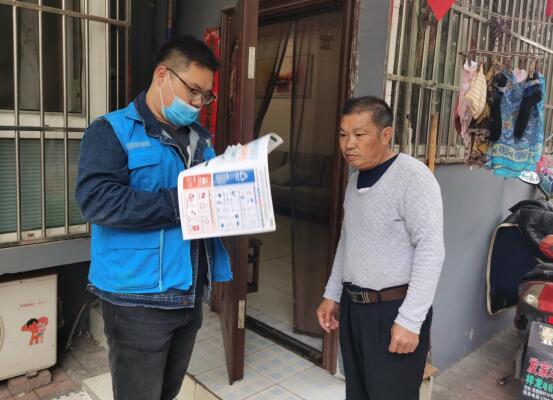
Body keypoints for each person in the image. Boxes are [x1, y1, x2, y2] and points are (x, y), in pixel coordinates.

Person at [76, 35, 231, 400]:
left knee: (167, 393)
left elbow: (212, 199)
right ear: (162, 75)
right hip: (137, 301)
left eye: (206, 95)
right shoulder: (111, 131)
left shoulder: (200, 140)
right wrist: (184, 202)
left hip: (188, 295)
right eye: (193, 91)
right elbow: (96, 201)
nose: (198, 103)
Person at [316, 96, 444, 400]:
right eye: (343, 135)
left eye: (359, 134)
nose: (349, 144)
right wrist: (332, 294)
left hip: (393, 312)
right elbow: (348, 240)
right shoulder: (354, 181)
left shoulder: (413, 177)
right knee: (357, 393)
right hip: (354, 309)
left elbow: (430, 250)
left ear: (385, 135)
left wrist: (410, 321)